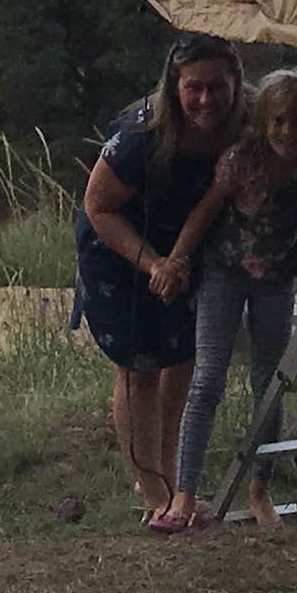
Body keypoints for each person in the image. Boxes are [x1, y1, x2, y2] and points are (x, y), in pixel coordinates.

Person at [159, 67, 297, 533]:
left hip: (277, 274)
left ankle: (259, 492)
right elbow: (204, 212)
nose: (288, 133)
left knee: (269, 383)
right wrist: (175, 261)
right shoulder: (241, 158)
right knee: (208, 377)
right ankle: (184, 495)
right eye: (279, 122)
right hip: (224, 271)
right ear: (264, 121)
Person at [75, 34, 245, 525]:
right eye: (194, 88)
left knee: (183, 361)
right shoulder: (140, 133)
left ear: (236, 83)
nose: (206, 100)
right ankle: (153, 492)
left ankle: (178, 483)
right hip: (120, 245)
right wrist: (153, 263)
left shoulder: (245, 124)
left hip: (191, 248)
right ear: (175, 87)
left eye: (218, 86)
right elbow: (98, 205)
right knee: (139, 367)